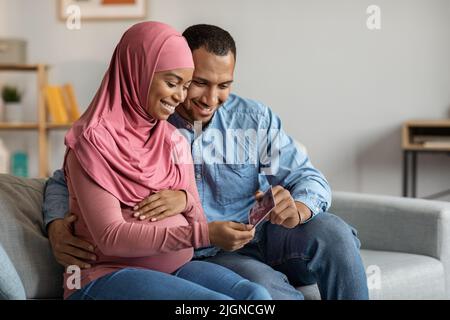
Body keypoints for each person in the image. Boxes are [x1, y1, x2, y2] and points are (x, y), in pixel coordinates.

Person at [44, 24, 369, 300]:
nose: (210, 99)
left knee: (333, 231)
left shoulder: (251, 119)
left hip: (262, 234)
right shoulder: (149, 119)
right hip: (211, 253)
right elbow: (68, 177)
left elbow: (305, 176)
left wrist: (298, 206)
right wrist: (57, 225)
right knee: (261, 289)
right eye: (197, 83)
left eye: (224, 85)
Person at [56, 21, 272, 300]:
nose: (179, 97)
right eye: (171, 83)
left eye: (185, 85)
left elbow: (196, 214)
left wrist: (185, 200)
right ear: (137, 74)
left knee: (256, 296)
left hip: (176, 267)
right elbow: (110, 235)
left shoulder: (172, 140)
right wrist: (203, 234)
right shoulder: (91, 142)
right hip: (105, 275)